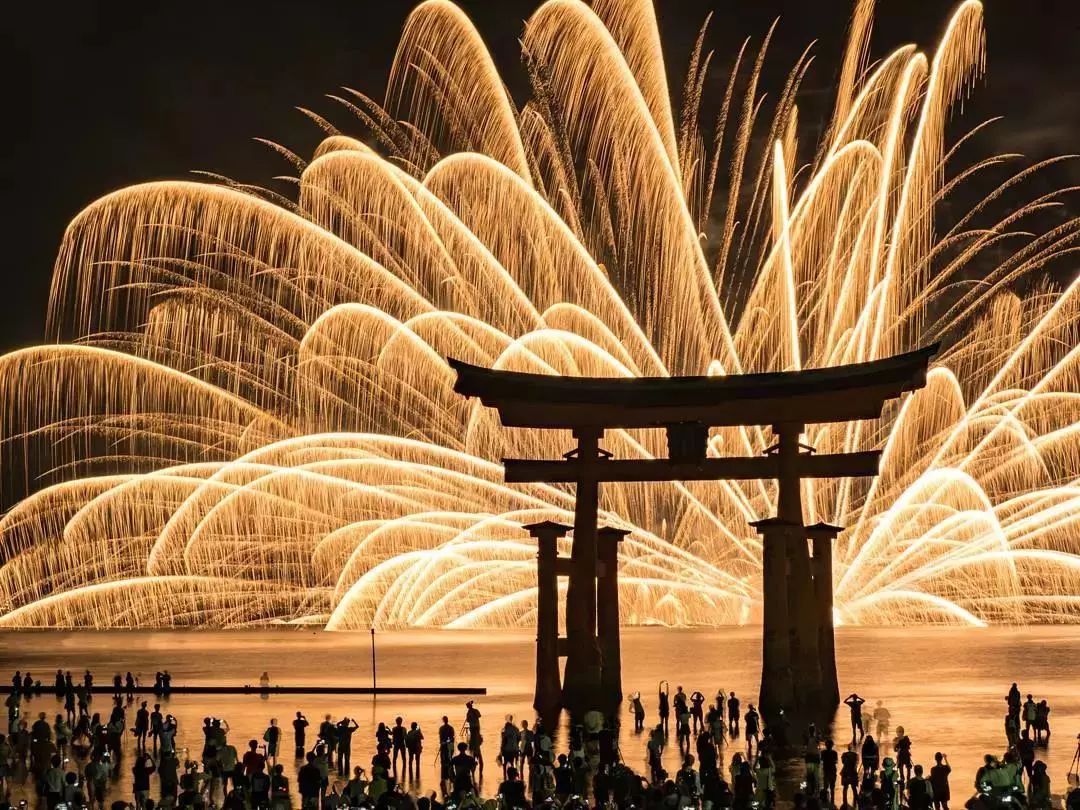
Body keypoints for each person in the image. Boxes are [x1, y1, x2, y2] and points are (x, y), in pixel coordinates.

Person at [465, 701, 483, 774]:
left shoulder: (474, 711)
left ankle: (477, 772)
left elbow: (479, 715)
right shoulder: (469, 713)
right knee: (474, 736)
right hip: (473, 727)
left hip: (475, 727)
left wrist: (472, 714)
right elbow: (468, 720)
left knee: (475, 736)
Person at [821, 739, 839, 806]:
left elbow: (822, 759)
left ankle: (825, 802)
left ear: (826, 745)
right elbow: (836, 761)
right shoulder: (834, 753)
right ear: (832, 745)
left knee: (826, 787)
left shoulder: (823, 752)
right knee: (832, 787)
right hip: (833, 771)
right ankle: (832, 802)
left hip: (826, 771)